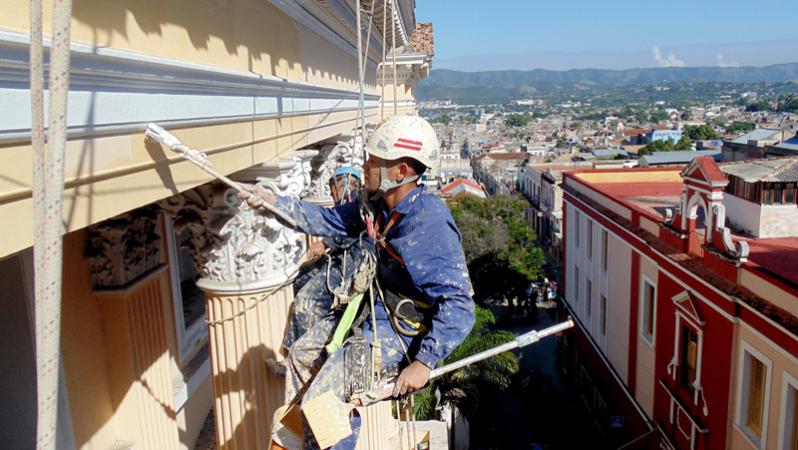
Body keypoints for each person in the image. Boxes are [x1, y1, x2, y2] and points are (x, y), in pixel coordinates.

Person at [244, 114, 475, 449]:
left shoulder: (429, 223)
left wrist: (425, 362)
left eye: (373, 160)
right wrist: (273, 203)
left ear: (400, 172)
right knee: (300, 356)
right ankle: (303, 440)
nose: (363, 167)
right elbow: (329, 220)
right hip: (370, 313)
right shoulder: (375, 206)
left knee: (324, 401)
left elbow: (459, 305)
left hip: (401, 329)